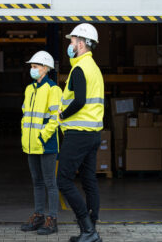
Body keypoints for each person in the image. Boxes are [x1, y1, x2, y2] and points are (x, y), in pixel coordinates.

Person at [57, 23, 104, 242]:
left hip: (78, 133)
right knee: (88, 181)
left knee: (63, 180)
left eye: (72, 41)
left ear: (82, 44)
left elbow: (80, 100)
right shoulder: (93, 67)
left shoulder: (79, 69)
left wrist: (63, 115)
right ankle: (91, 230)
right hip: (93, 133)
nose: (70, 44)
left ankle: (87, 229)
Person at [19, 51, 62, 235]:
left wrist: (42, 137)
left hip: (46, 144)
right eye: (31, 66)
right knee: (37, 182)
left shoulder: (53, 89)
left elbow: (55, 118)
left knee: (50, 183)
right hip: (31, 145)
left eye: (35, 66)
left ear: (45, 68)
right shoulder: (29, 89)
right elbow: (25, 116)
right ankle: (38, 216)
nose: (32, 69)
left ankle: (52, 219)